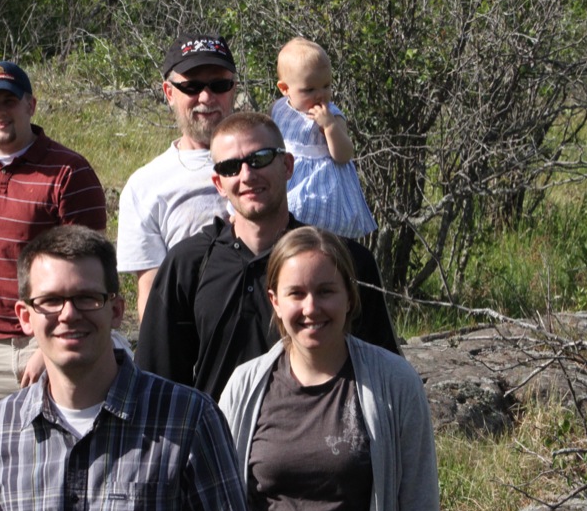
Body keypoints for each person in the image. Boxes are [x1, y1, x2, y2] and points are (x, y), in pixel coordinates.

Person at [0, 225, 256, 511]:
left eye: (87, 298)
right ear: (25, 316)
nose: (68, 314)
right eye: (50, 300)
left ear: (117, 310)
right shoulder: (0, 429)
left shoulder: (188, 420)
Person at [0, 61, 108, 511]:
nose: (0, 112)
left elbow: (91, 267)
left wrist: (44, 351)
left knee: (55, 468)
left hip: (49, 340)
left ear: (30, 105)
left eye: (9, 101)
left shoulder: (68, 172)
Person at [136, 112, 400, 401]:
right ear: (218, 183)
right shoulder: (188, 265)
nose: (247, 175)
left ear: (287, 166)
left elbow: (386, 378)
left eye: (260, 158)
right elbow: (156, 385)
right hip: (215, 429)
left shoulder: (342, 262)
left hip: (325, 428)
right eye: (230, 167)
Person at [219, 226, 441, 511]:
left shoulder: (395, 384)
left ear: (350, 296)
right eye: (296, 293)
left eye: (325, 291)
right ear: (275, 301)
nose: (311, 308)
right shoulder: (243, 388)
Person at [117, 33, 237, 321]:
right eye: (192, 87)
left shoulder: (269, 159)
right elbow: (152, 293)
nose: (206, 97)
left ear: (233, 89)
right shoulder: (144, 186)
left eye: (219, 85)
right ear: (169, 93)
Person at [270, 37, 377, 238]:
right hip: (288, 180)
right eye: (310, 89)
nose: (320, 95)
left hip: (324, 188)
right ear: (285, 89)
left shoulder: (332, 114)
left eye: (326, 86)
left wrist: (329, 126)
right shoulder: (278, 110)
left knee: (322, 235)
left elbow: (344, 155)